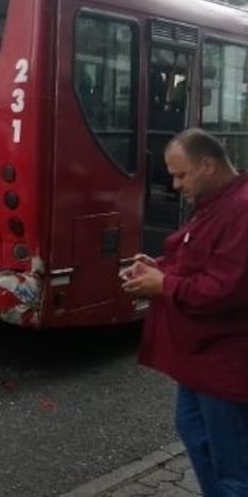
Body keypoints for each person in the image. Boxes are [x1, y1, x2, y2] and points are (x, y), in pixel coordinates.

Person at [120, 128, 248, 496]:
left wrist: (163, 284)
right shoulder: (217, 202)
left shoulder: (240, 209)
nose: (175, 185)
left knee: (233, 463)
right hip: (200, 361)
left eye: (180, 175)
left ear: (207, 165)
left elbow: (225, 287)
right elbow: (195, 261)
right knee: (196, 434)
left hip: (225, 363)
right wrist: (156, 265)